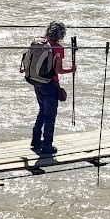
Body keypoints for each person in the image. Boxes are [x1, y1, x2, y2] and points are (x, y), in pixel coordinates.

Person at [28, 20, 75, 156]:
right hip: (50, 84)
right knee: (50, 116)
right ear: (61, 34)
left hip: (37, 82)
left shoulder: (40, 43)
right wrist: (71, 70)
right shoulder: (58, 48)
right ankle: (47, 145)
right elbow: (58, 70)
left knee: (42, 110)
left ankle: (36, 140)